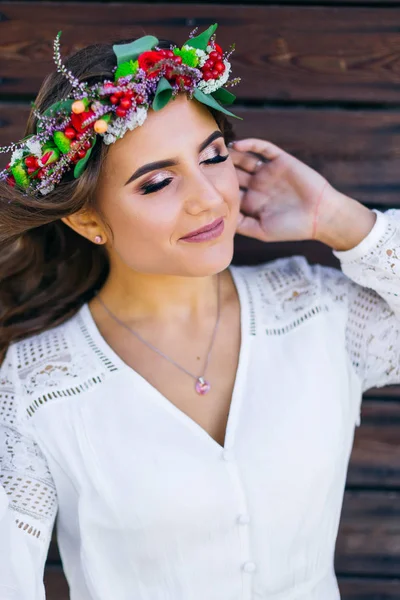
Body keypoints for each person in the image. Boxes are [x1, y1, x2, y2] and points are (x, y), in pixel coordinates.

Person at [0, 23, 399, 600]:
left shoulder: (320, 313)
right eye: (158, 181)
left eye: (212, 157)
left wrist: (340, 219)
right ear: (87, 220)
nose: (209, 197)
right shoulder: (37, 385)